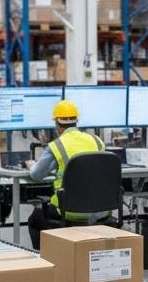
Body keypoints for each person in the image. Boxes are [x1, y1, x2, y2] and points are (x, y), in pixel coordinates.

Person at [26, 99, 106, 250]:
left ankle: (44, 262)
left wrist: (31, 165)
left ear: (57, 125)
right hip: (99, 209)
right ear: (77, 121)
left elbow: (36, 175)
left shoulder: (57, 145)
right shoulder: (97, 141)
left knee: (35, 219)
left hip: (68, 211)